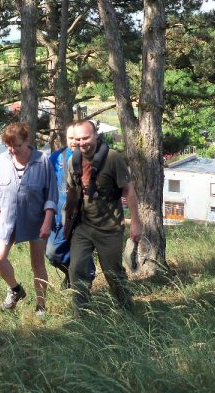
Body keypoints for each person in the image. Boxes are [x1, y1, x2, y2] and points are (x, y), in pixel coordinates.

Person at [67, 119, 141, 316]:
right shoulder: (74, 160)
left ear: (95, 135)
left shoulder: (112, 158)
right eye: (78, 139)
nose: (82, 143)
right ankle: (81, 314)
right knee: (76, 269)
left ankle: (127, 310)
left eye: (86, 138)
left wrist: (135, 223)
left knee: (113, 273)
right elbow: (72, 192)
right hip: (83, 226)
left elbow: (129, 190)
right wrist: (66, 223)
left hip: (110, 228)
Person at [0, 122, 57, 315]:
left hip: (36, 221)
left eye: (17, 145)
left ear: (27, 140)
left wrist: (47, 222)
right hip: (8, 219)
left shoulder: (42, 160)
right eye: (9, 146)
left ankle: (41, 306)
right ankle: (15, 290)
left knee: (37, 264)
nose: (13, 150)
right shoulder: (2, 160)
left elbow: (51, 196)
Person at [47, 125, 95, 289]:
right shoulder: (56, 157)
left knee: (81, 249)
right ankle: (73, 273)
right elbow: (47, 184)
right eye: (70, 138)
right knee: (53, 253)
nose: (74, 142)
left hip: (84, 216)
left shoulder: (92, 158)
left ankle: (84, 279)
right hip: (60, 216)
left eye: (77, 138)